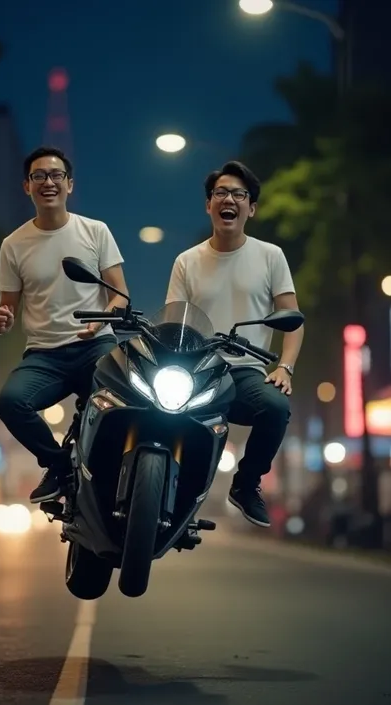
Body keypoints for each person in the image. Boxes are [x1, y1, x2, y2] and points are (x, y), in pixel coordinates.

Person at [166, 160, 304, 528]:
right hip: (196, 372)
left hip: (245, 372)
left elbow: (293, 319)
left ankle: (246, 485)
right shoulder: (186, 261)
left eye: (239, 194)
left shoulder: (270, 256)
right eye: (221, 193)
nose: (229, 199)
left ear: (251, 208)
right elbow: (173, 320)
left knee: (275, 407)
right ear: (209, 204)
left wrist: (285, 367)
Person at [0, 146, 128, 504]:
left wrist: (102, 323)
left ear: (69, 184)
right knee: (11, 403)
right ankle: (59, 466)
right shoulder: (13, 244)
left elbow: (120, 296)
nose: (48, 182)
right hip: (44, 355)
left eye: (56, 175)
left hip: (96, 346)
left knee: (129, 403)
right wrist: (2, 318)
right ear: (27, 186)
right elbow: (7, 307)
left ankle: (131, 478)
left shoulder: (95, 231)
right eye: (39, 176)